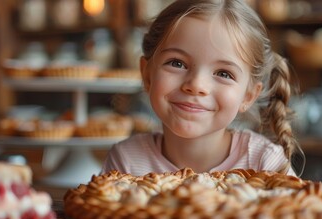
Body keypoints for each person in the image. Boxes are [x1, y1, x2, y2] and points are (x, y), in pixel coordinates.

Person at [101, 0, 304, 176]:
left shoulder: (265, 163)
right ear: (147, 76)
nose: (196, 85)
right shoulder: (126, 161)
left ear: (248, 96)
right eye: (177, 63)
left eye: (224, 74)